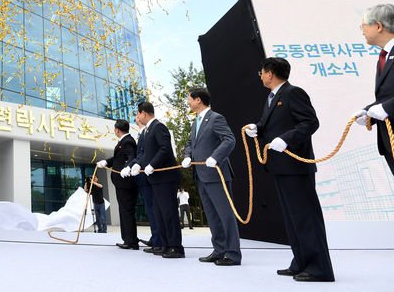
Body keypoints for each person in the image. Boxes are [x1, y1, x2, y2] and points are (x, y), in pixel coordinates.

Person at [245, 57, 334, 282]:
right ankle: (301, 262)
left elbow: (310, 122)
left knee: (306, 217)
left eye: (262, 72)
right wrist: (258, 128)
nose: (261, 76)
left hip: (296, 165)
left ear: (270, 73)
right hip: (280, 166)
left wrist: (286, 139)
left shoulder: (293, 93)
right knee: (293, 219)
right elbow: (272, 124)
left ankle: (319, 268)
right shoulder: (272, 98)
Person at [182, 87, 241, 266]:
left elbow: (229, 139)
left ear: (198, 100)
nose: (188, 102)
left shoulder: (216, 118)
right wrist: (187, 156)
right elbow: (190, 143)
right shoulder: (195, 123)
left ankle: (232, 254)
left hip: (217, 174)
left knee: (225, 215)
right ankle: (219, 250)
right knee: (212, 215)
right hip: (201, 175)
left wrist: (215, 157)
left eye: (190, 99)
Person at [129, 102, 184, 258]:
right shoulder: (147, 131)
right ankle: (165, 245)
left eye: (138, 114)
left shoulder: (158, 127)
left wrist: (152, 164)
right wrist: (138, 165)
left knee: (169, 213)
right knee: (159, 214)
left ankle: (176, 247)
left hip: (166, 177)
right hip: (155, 178)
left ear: (144, 113)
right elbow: (146, 154)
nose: (137, 117)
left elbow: (165, 149)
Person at [355, 4, 394, 177]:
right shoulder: (383, 58)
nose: (363, 32)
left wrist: (386, 109)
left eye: (363, 27)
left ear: (378, 26)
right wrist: (369, 111)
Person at [97, 119, 138, 249]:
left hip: (125, 182)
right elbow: (117, 159)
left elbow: (131, 156)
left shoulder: (128, 141)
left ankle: (130, 241)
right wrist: (106, 162)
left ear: (117, 130)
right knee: (124, 210)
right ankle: (128, 239)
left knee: (126, 210)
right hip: (121, 183)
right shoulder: (123, 142)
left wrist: (128, 167)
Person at [131, 117, 161, 250]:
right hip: (144, 177)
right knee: (151, 210)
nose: (136, 118)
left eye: (138, 115)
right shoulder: (141, 133)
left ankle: (158, 240)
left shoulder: (146, 133)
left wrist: (134, 165)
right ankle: (155, 238)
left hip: (148, 176)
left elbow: (142, 155)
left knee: (153, 210)